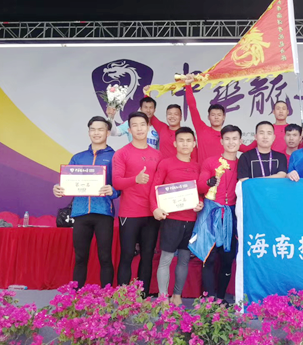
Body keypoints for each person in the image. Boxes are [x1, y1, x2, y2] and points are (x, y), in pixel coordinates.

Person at [52, 116, 119, 288]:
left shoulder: (115, 157)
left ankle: (107, 296)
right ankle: (76, 296)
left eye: (100, 129)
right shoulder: (78, 158)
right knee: (80, 257)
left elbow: (120, 186)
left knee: (105, 257)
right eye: (93, 129)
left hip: (104, 213)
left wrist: (113, 191)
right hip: (80, 212)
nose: (96, 133)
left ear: (108, 132)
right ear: (88, 132)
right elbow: (66, 182)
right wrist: (58, 188)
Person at [150, 127, 204, 306]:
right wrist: (155, 208)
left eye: (189, 141)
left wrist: (200, 203)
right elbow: (154, 188)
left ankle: (177, 295)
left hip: (191, 220)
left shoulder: (198, 167)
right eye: (181, 140)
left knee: (184, 260)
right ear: (175, 143)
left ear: (194, 144)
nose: (185, 144)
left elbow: (200, 192)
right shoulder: (166, 164)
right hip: (171, 220)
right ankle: (163, 297)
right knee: (165, 259)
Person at [112, 111, 162, 298]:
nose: (139, 129)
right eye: (135, 125)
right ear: (129, 129)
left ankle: (143, 298)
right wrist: (136, 179)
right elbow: (117, 182)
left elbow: (163, 183)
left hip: (152, 213)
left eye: (143, 125)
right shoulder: (121, 153)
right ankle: (123, 298)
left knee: (147, 256)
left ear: (148, 127)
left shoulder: (157, 155)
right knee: (127, 255)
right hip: (130, 213)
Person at [197, 125, 242, 301]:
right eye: (227, 139)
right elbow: (200, 186)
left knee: (227, 259)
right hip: (210, 213)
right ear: (221, 141)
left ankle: (221, 299)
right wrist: (208, 182)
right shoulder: (210, 162)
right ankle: (209, 300)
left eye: (234, 139)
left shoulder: (242, 164)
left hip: (232, 216)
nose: (231, 142)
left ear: (240, 141)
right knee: (208, 258)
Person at [184, 75, 254, 164]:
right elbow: (192, 107)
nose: (216, 117)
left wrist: (261, 137)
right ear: (208, 117)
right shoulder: (202, 129)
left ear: (224, 117)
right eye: (213, 115)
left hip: (225, 171)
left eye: (219, 115)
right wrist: (188, 86)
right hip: (205, 171)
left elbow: (247, 149)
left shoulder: (228, 137)